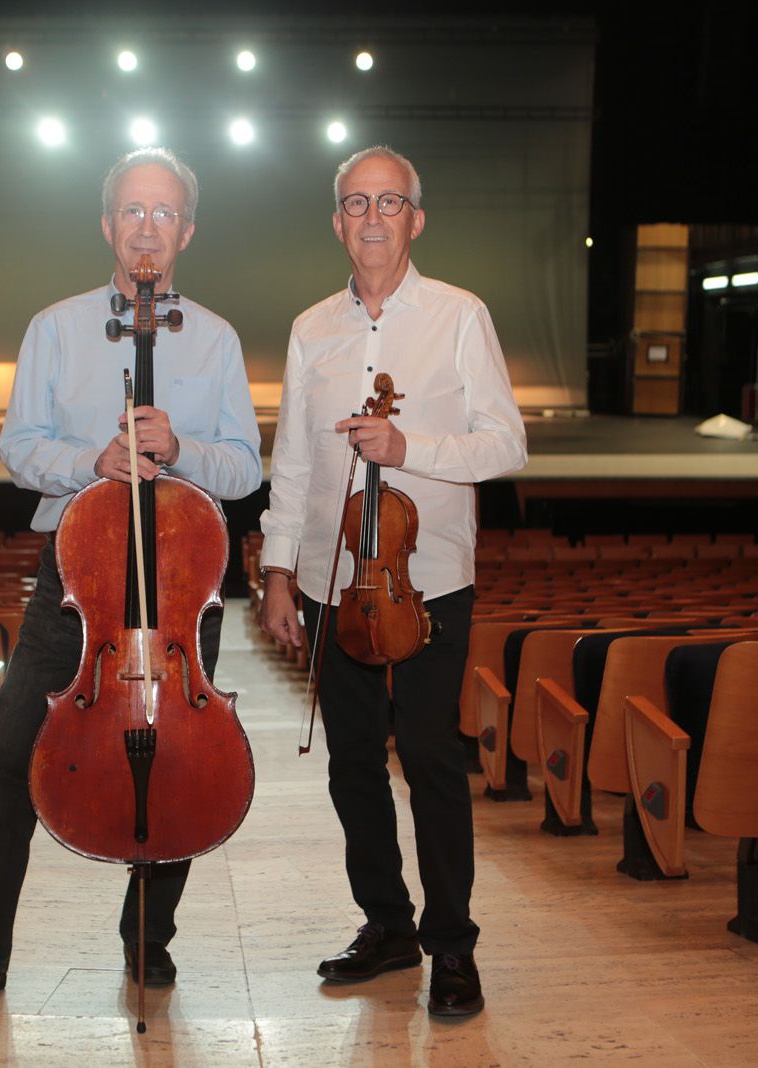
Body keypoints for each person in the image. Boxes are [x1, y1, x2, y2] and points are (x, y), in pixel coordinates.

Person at [0, 147, 262, 1005]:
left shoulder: (215, 339)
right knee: (7, 762)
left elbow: (243, 467)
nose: (146, 229)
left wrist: (187, 451)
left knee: (178, 761)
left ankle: (148, 939)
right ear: (107, 225)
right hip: (75, 585)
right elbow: (19, 449)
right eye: (132, 211)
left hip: (180, 588)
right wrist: (87, 461)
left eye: (163, 214)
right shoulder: (55, 328)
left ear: (188, 232)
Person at [256, 145, 527, 1017]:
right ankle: (388, 924)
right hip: (337, 584)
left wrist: (413, 451)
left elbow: (506, 443)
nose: (372, 219)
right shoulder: (312, 330)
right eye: (355, 204)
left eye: (389, 203)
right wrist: (276, 569)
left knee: (434, 764)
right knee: (349, 770)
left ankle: (453, 946)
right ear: (337, 221)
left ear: (417, 217)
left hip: (428, 583)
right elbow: (293, 461)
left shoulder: (458, 316)